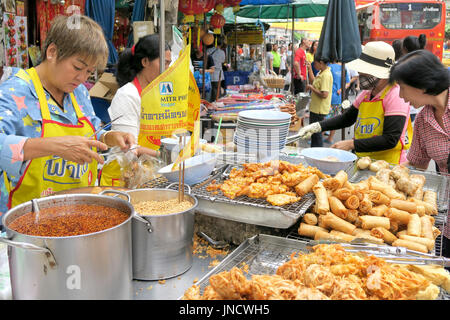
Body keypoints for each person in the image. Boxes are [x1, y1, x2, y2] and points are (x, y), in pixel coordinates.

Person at [0, 15, 135, 218]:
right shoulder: (14, 91)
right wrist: (55, 146)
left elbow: (91, 129)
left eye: (89, 72)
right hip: (28, 223)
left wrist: (108, 137)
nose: (82, 79)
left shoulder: (78, 92)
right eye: (77, 68)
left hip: (78, 215)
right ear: (52, 52)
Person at [296, 41, 413, 165]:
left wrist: (351, 144)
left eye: (365, 72)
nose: (360, 75)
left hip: (387, 164)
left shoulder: (395, 95)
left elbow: (390, 139)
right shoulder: (367, 93)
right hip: (363, 161)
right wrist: (317, 126)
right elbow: (348, 118)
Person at [389, 49, 450, 262]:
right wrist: (387, 173)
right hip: (446, 222)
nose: (401, 95)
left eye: (403, 88)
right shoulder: (424, 120)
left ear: (422, 85)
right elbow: (416, 163)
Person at [305, 55, 333, 147]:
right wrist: (309, 69)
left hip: (319, 110)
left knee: (317, 136)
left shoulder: (326, 75)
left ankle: (317, 156)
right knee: (314, 135)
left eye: (315, 63)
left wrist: (312, 88)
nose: (314, 65)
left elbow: (324, 94)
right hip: (315, 109)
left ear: (320, 63)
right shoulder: (321, 72)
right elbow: (313, 81)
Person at [325, 61, 350, 144]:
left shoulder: (329, 67)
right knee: (334, 118)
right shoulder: (344, 68)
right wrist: (342, 89)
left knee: (325, 118)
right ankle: (330, 138)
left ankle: (319, 137)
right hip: (338, 97)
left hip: (328, 97)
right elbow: (348, 82)